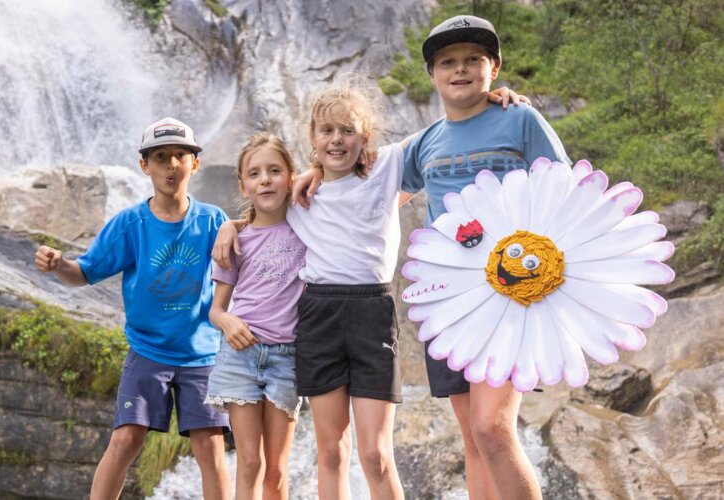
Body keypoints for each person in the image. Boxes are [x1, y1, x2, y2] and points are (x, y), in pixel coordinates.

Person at [214, 77, 529, 498]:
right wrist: (228, 226)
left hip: (372, 315)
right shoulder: (298, 194)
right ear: (312, 136)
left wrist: (488, 99)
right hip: (318, 317)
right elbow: (261, 210)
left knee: (376, 454)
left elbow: (449, 123)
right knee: (330, 452)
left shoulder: (387, 167)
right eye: (327, 131)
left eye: (348, 130)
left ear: (366, 135)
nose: (337, 139)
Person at [400, 16, 569, 500]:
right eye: (447, 62)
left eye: (473, 59)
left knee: (492, 427)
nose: (460, 70)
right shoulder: (424, 143)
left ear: (493, 67)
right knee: (476, 439)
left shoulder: (520, 119)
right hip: (448, 301)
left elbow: (565, 191)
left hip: (513, 292)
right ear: (432, 75)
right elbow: (367, 197)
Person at [34, 117, 232, 500]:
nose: (171, 165)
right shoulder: (130, 224)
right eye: (160, 157)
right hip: (148, 352)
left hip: (203, 355)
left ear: (195, 162)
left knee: (210, 446)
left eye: (180, 155)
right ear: (145, 166)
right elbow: (84, 273)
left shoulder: (213, 221)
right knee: (126, 439)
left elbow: (247, 254)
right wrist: (59, 263)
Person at [204, 133, 306, 500]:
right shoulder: (235, 240)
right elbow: (215, 309)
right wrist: (228, 321)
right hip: (240, 356)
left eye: (275, 170)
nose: (265, 179)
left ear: (292, 177)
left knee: (277, 469)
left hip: (287, 358)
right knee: (249, 462)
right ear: (243, 186)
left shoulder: (309, 227)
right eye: (255, 173)